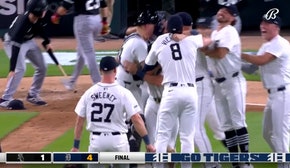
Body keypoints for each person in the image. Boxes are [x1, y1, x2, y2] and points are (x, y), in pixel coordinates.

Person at [144, 14, 211, 168]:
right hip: (190, 92)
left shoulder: (160, 41)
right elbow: (208, 40)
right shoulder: (192, 40)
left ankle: (158, 167)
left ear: (166, 28)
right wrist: (189, 35)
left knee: (162, 136)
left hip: (171, 92)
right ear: (182, 28)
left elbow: (147, 66)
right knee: (187, 137)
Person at [71, 56, 155, 168]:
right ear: (115, 70)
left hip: (96, 142)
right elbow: (136, 119)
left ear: (101, 71)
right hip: (118, 142)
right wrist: (148, 143)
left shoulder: (89, 93)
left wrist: (76, 146)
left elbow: (79, 121)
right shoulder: (123, 93)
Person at [200, 5, 252, 168]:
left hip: (233, 81)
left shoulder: (229, 31)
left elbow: (220, 53)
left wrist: (205, 50)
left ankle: (246, 161)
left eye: (227, 12)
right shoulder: (216, 33)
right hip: (219, 84)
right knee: (226, 125)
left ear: (232, 18)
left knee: (238, 122)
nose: (222, 12)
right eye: (221, 10)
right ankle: (236, 162)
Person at [241, 8, 290, 168]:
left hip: (283, 94)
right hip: (273, 96)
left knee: (280, 134)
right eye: (262, 22)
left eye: (267, 23)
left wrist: (241, 54)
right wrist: (231, 61)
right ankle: (283, 160)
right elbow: (251, 68)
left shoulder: (280, 44)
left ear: (276, 27)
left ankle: (284, 164)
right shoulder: (266, 45)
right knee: (267, 133)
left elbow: (262, 60)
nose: (263, 25)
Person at [115, 10, 158, 166]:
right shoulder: (139, 43)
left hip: (128, 85)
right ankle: (128, 159)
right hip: (127, 87)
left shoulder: (133, 37)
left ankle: (128, 155)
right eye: (153, 24)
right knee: (136, 123)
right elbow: (146, 70)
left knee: (135, 124)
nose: (155, 27)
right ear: (146, 25)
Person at [179, 13, 222, 168]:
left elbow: (209, 43)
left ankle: (212, 164)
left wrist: (194, 35)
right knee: (190, 128)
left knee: (195, 128)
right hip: (191, 88)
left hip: (202, 85)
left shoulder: (195, 38)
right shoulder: (176, 40)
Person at [0, 0, 50, 107]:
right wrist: (12, 69)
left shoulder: (37, 18)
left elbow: (39, 28)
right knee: (20, 69)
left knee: (42, 67)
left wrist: (46, 41)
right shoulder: (22, 23)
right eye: (43, 9)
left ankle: (33, 94)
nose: (45, 11)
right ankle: (5, 98)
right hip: (12, 42)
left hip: (28, 41)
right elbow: (15, 45)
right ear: (38, 11)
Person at [51, 0, 109, 91]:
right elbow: (104, 6)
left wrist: (56, 15)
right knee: (81, 52)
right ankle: (72, 82)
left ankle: (97, 83)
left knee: (88, 52)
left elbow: (65, 6)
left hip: (84, 21)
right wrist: (105, 22)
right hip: (97, 20)